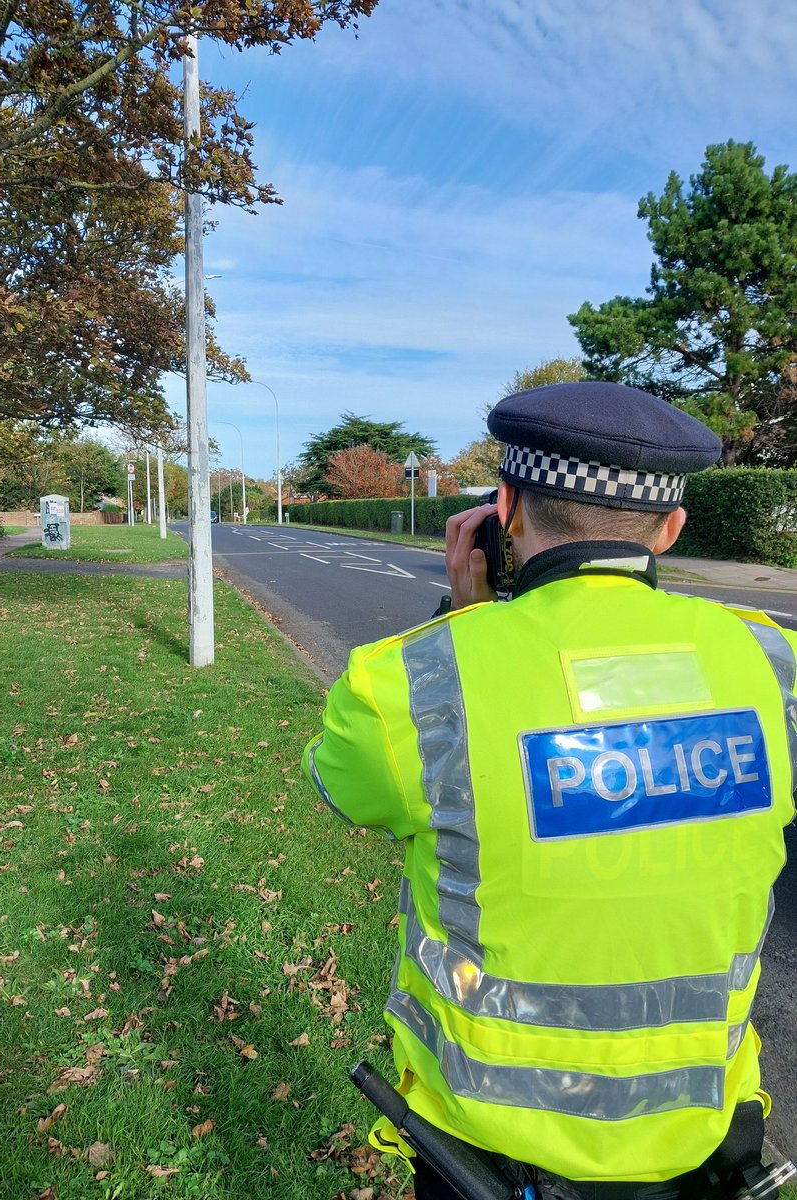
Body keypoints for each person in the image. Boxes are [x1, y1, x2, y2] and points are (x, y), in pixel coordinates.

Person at [301, 382, 793, 1199]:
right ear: (671, 528)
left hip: (486, 1151)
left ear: (505, 510)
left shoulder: (414, 678)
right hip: (705, 1137)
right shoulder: (775, 665)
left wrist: (464, 619)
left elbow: (339, 785)